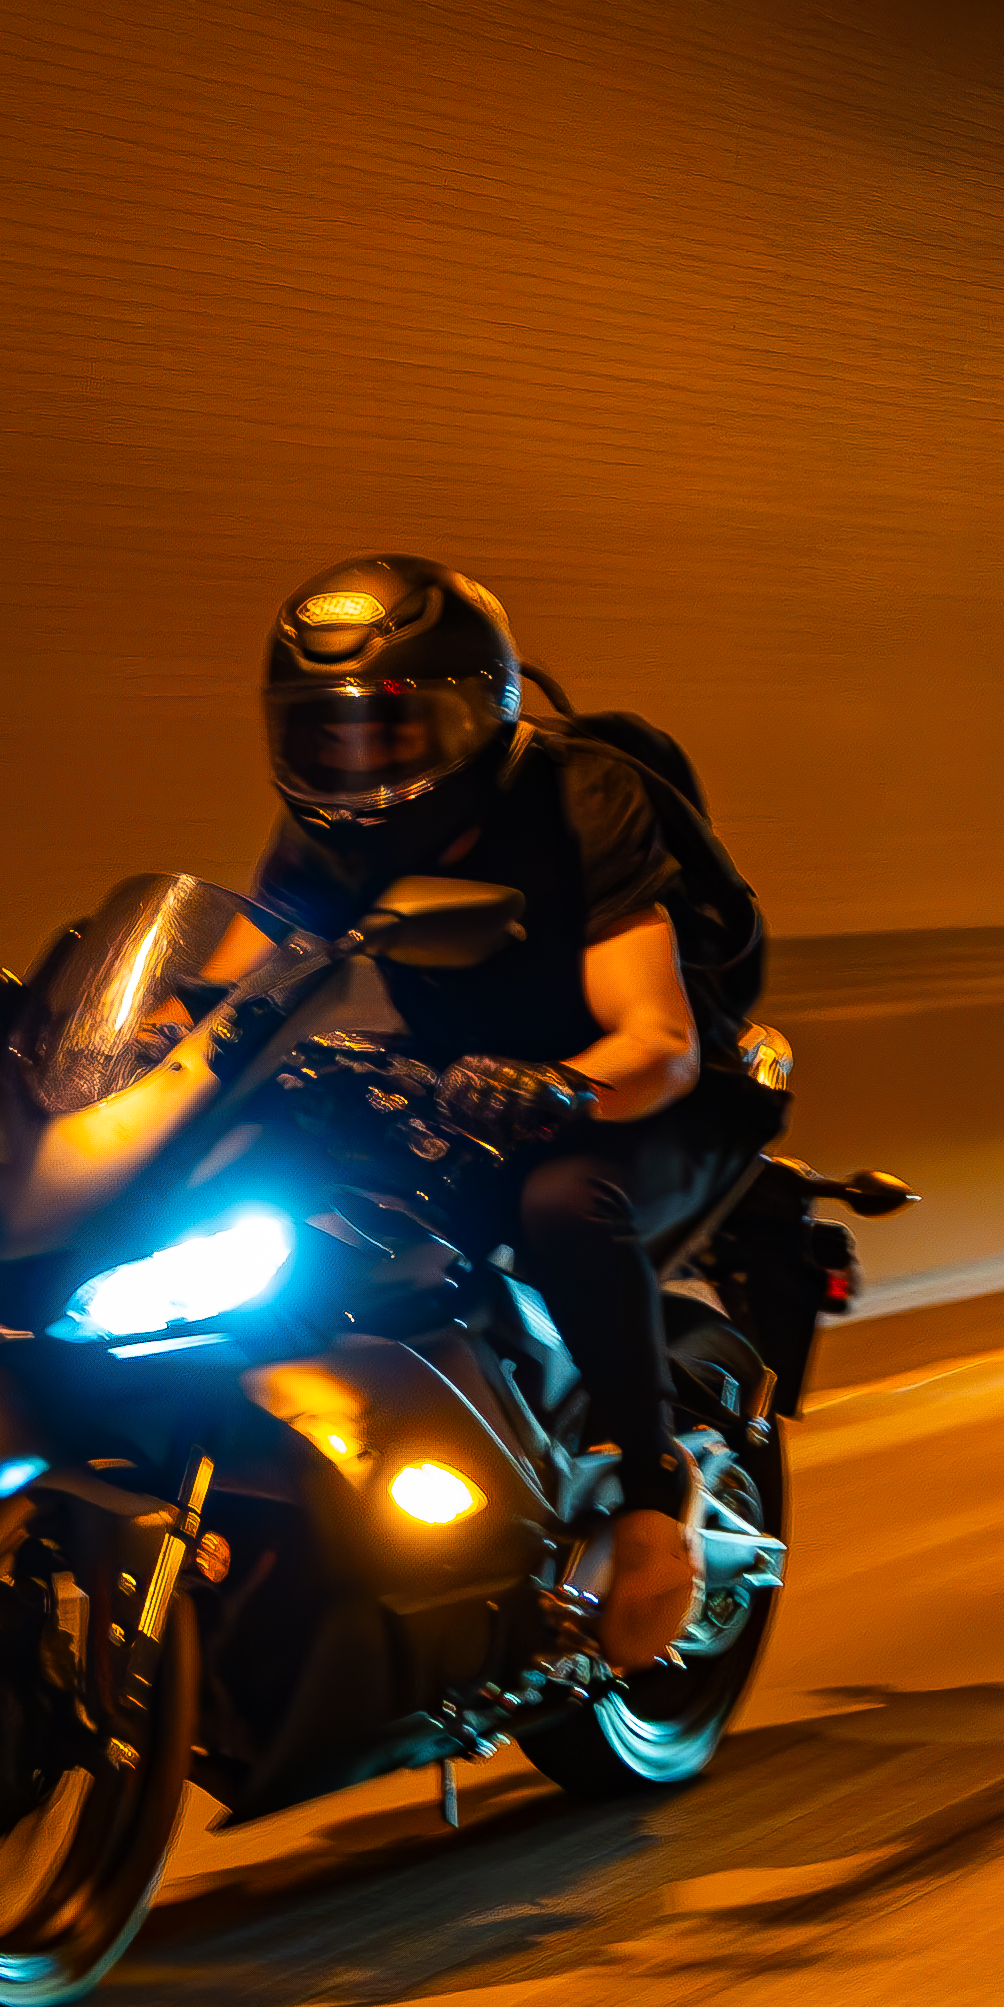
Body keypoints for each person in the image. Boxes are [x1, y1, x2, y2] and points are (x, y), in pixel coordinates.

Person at [245, 554, 778, 1670]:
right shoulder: (324, 835)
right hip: (469, 1088)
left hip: (652, 1095)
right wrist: (124, 1041)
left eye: (391, 729)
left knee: (563, 1199)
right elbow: (231, 987)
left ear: (477, 715)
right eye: (324, 732)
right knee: (292, 1184)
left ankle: (646, 1488)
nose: (355, 762)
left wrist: (563, 1087)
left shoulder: (584, 797)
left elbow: (657, 1039)